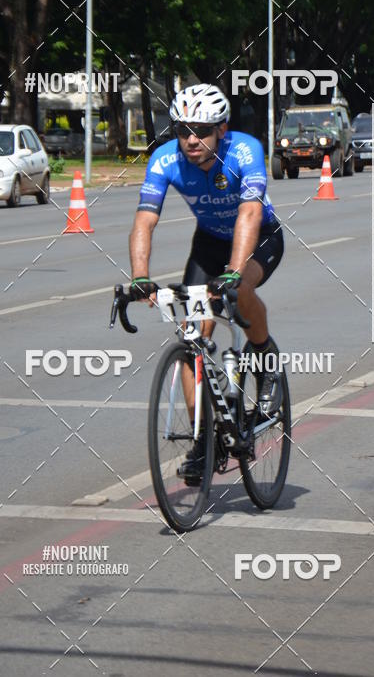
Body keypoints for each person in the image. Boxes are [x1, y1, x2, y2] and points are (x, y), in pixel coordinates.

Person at [128, 83, 284, 482]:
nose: (191, 140)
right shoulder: (164, 160)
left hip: (258, 237)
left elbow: (249, 212)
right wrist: (140, 277)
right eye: (182, 130)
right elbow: (145, 220)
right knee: (192, 336)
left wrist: (234, 271)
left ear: (222, 129)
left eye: (201, 130)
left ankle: (265, 361)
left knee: (240, 288)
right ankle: (202, 440)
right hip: (209, 243)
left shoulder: (245, 150)